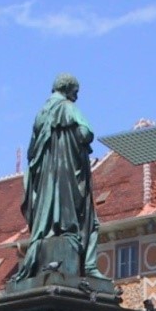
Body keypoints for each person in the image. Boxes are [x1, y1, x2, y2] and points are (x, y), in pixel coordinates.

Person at [12, 73, 105, 281]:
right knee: (90, 221)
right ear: (68, 88)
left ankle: (51, 233)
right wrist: (73, 144)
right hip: (67, 176)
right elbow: (86, 132)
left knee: (55, 214)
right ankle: (88, 266)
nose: (77, 97)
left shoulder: (40, 114)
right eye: (76, 92)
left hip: (46, 180)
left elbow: (31, 153)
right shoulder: (66, 107)